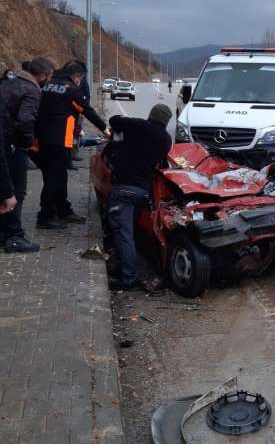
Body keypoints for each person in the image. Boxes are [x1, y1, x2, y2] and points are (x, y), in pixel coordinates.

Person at [34, 60, 109, 229]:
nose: (80, 82)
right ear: (76, 76)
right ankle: (44, 217)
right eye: (80, 79)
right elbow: (87, 111)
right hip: (60, 141)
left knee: (57, 176)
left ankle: (63, 210)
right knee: (54, 179)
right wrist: (106, 130)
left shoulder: (47, 84)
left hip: (41, 139)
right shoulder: (72, 90)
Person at [106, 104, 173, 290]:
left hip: (123, 189)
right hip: (143, 192)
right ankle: (121, 267)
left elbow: (114, 120)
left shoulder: (139, 125)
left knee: (123, 234)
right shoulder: (166, 139)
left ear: (151, 115)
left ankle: (127, 278)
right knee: (127, 232)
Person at [0, 57, 54, 252]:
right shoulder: (32, 90)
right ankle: (14, 236)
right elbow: (25, 119)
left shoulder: (10, 83)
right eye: (49, 76)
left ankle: (4, 231)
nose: (49, 80)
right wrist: (27, 143)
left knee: (4, 188)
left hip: (4, 141)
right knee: (17, 191)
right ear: (42, 76)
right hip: (12, 144)